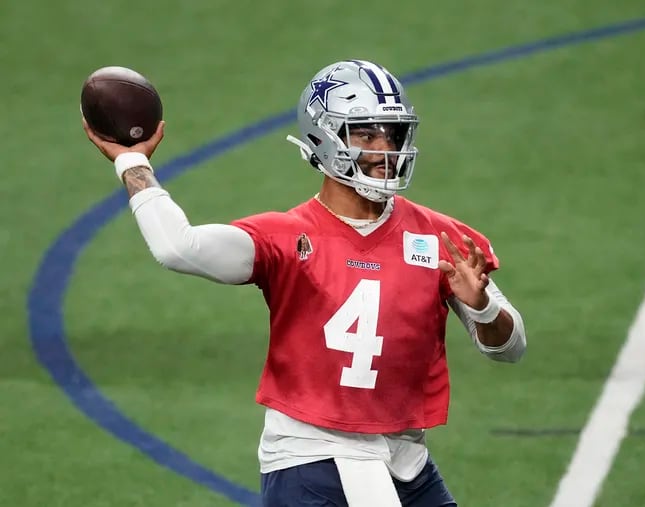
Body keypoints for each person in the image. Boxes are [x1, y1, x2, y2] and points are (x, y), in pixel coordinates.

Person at [84, 59, 527, 507]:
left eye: (391, 133)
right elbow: (178, 248)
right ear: (324, 136)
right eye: (366, 134)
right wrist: (132, 163)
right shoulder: (285, 237)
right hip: (312, 457)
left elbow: (510, 348)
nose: (384, 149)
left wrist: (484, 305)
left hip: (405, 460)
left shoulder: (441, 238)